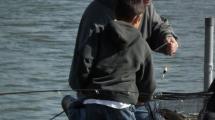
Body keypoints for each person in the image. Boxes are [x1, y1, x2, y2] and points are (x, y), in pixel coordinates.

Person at [68, 0, 178, 119]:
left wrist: (167, 38)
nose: (149, 1)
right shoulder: (96, 12)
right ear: (137, 19)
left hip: (122, 100)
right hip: (106, 98)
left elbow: (157, 25)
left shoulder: (145, 5)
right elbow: (83, 63)